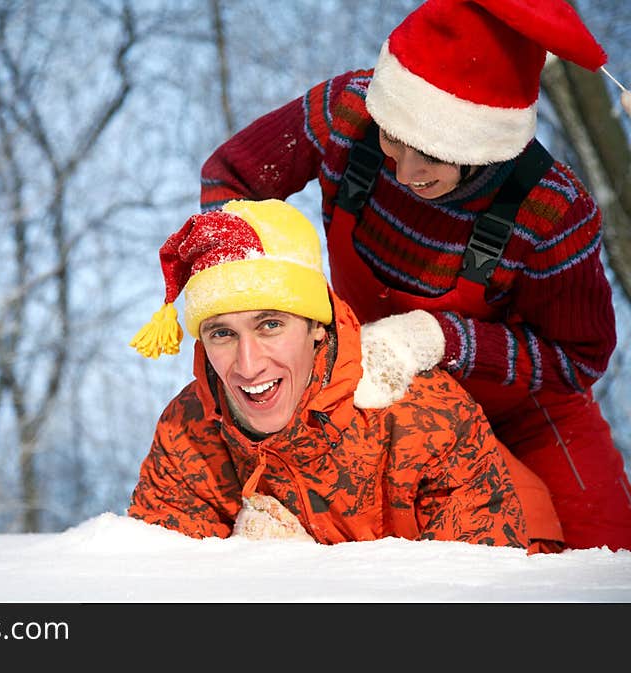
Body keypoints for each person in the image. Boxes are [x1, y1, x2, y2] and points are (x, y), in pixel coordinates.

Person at [199, 0, 631, 550]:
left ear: (484, 145)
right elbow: (231, 177)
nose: (404, 172)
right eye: (392, 140)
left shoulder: (553, 210)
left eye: (429, 153)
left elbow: (579, 358)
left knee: (603, 556)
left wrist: (436, 337)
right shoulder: (348, 114)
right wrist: (247, 289)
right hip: (382, 397)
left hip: (529, 408)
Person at [127, 198, 563, 553]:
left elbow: (476, 600)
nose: (248, 364)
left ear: (317, 326)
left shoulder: (424, 413)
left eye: (271, 325)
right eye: (222, 333)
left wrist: (298, 579)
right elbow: (162, 591)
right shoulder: (187, 429)